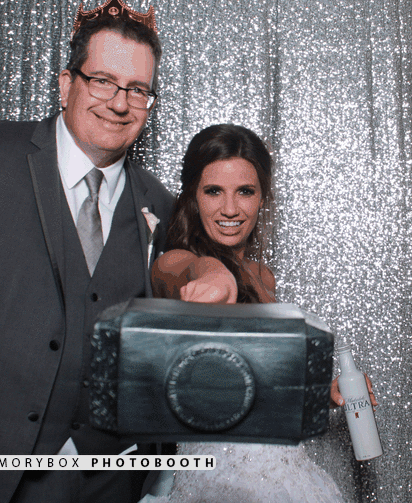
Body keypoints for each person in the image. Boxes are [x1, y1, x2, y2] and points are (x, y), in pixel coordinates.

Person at [0, 0, 229, 503]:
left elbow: (178, 278)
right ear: (66, 84)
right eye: (102, 80)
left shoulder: (159, 205)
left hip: (99, 484)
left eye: (137, 90)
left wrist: (212, 271)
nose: (120, 103)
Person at [150, 124, 375, 503]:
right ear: (192, 197)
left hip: (289, 479)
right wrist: (213, 273)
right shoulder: (173, 262)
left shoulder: (262, 277)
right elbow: (186, 273)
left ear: (262, 197)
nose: (230, 208)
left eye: (245, 191)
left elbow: (260, 396)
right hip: (219, 485)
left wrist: (325, 394)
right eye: (213, 191)